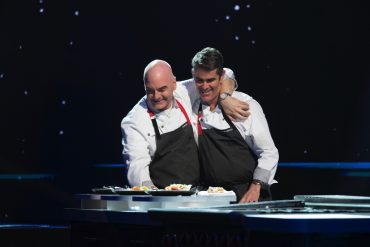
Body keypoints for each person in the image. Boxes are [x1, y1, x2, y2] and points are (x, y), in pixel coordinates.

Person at [121, 59, 248, 188]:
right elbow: (136, 169)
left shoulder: (183, 91)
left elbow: (225, 73)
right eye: (150, 91)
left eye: (162, 89)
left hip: (198, 192)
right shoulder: (134, 121)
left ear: (174, 84)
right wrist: (154, 194)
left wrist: (224, 97)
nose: (156, 96)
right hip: (163, 197)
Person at [191, 47, 279, 203]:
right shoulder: (192, 107)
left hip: (248, 194)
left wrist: (256, 186)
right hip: (212, 197)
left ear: (221, 77)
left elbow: (269, 152)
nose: (204, 86)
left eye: (210, 80)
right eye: (199, 80)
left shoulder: (244, 106)